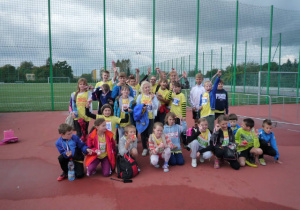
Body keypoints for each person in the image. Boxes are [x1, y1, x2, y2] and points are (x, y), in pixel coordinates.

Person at [136, 81, 158, 156]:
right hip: (142, 118)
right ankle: (145, 148)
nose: (147, 89)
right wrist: (142, 108)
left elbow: (155, 107)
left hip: (150, 117)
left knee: (150, 134)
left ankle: (151, 148)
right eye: (145, 87)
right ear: (142, 88)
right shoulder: (140, 97)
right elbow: (137, 107)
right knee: (143, 133)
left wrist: (151, 99)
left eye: (148, 87)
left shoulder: (153, 96)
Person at [69, 78, 93, 142]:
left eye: (84, 84)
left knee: (85, 132)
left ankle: (84, 146)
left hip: (85, 116)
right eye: (80, 84)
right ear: (78, 85)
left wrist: (91, 89)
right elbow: (70, 105)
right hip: (77, 116)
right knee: (78, 132)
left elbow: (95, 95)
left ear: (86, 85)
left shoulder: (88, 93)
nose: (82, 85)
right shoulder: (74, 94)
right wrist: (71, 112)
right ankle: (78, 146)